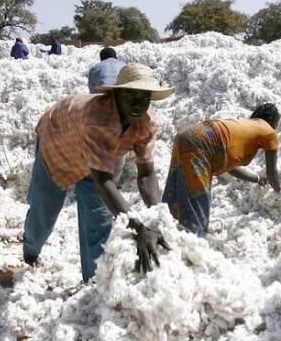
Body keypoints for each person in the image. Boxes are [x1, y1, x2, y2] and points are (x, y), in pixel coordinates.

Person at [23, 63, 175, 281]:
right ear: (117, 95)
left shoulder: (147, 123)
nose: (137, 103)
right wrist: (139, 227)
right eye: (130, 95)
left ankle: (93, 282)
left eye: (144, 97)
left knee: (100, 219)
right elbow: (103, 181)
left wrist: (159, 218)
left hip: (100, 157)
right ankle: (30, 249)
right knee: (45, 210)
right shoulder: (97, 118)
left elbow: (147, 175)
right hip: (59, 144)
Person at [162, 103, 281, 237]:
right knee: (197, 206)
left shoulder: (243, 128)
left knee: (175, 198)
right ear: (272, 120)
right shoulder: (269, 131)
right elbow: (272, 172)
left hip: (189, 135)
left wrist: (257, 179)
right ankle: (191, 246)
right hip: (203, 143)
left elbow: (229, 167)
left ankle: (166, 233)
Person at [88, 47, 126, 186]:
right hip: (122, 107)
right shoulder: (124, 66)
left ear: (101, 58)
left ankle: (100, 179)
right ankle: (114, 183)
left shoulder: (95, 68)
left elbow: (92, 92)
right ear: (116, 57)